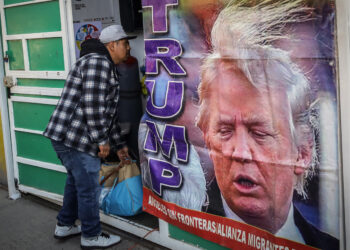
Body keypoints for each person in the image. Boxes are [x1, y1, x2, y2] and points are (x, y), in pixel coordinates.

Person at [196, 1, 339, 249]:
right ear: (207, 138)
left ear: (303, 152)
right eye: (225, 131)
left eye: (260, 133)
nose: (239, 152)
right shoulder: (190, 225)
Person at [43, 24, 135, 249]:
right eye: (124, 43)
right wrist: (101, 140)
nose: (128, 47)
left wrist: (119, 145)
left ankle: (64, 225)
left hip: (69, 137)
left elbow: (107, 114)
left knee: (76, 183)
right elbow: (93, 106)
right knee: (89, 188)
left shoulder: (102, 63)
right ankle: (91, 235)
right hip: (74, 139)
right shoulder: (98, 62)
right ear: (112, 45)